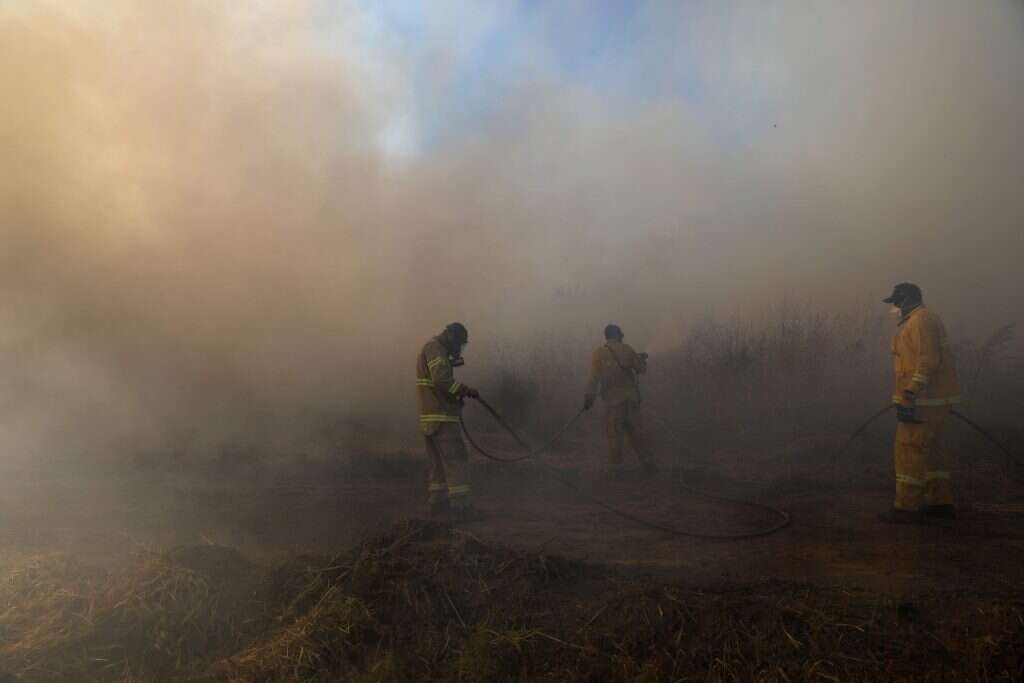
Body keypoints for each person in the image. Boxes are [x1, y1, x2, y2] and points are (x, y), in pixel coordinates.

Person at [881, 283, 961, 523]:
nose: (894, 307)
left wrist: (910, 392)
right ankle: (940, 502)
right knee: (934, 452)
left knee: (909, 451)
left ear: (906, 300)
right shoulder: (922, 320)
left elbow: (928, 361)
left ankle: (906, 508)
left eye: (896, 302)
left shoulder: (921, 321)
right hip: (931, 401)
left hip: (921, 401)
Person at [416, 322, 480, 518]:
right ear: (450, 337)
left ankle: (438, 503)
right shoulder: (436, 349)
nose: (459, 348)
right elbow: (441, 380)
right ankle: (461, 508)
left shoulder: (430, 348)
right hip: (441, 417)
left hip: (430, 418)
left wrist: (454, 397)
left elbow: (437, 384)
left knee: (438, 464)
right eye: (459, 343)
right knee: (456, 459)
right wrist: (465, 390)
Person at [583, 324, 657, 476]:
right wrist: (641, 360)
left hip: (613, 402)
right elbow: (641, 370)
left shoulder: (598, 353)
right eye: (621, 333)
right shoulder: (628, 349)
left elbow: (593, 378)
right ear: (616, 334)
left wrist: (589, 397)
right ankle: (649, 465)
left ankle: (617, 470)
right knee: (637, 434)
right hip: (631, 401)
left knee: (614, 435)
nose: (623, 336)